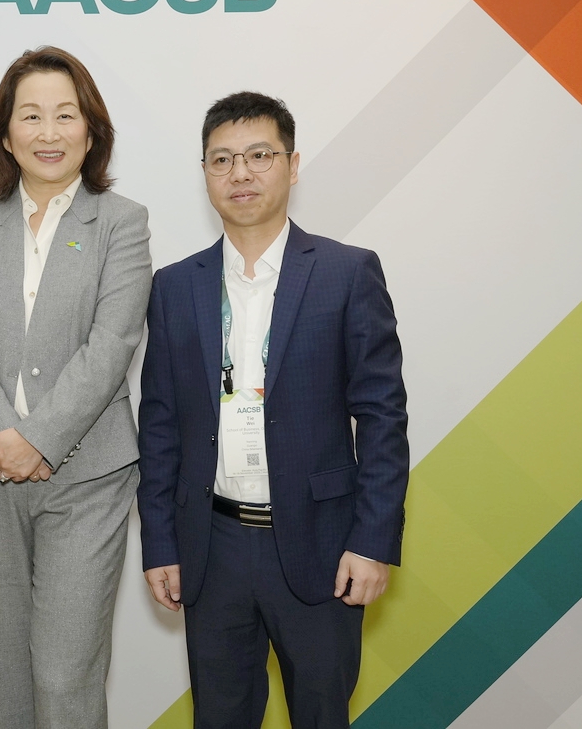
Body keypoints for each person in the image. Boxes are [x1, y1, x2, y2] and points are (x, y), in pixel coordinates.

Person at [137, 92, 409, 728]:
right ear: (205, 173)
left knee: (321, 714)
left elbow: (382, 419)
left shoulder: (347, 272)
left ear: (292, 164)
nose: (241, 173)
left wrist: (372, 542)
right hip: (212, 547)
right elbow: (160, 425)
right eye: (222, 159)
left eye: (259, 155)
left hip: (322, 545)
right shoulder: (175, 286)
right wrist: (160, 542)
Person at [0, 46, 152, 729]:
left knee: (64, 675)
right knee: (7, 674)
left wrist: (38, 440)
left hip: (87, 476)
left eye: (66, 114)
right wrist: (2, 437)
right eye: (31, 115)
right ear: (6, 134)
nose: (49, 132)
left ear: (91, 130)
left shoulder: (122, 222)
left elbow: (113, 344)